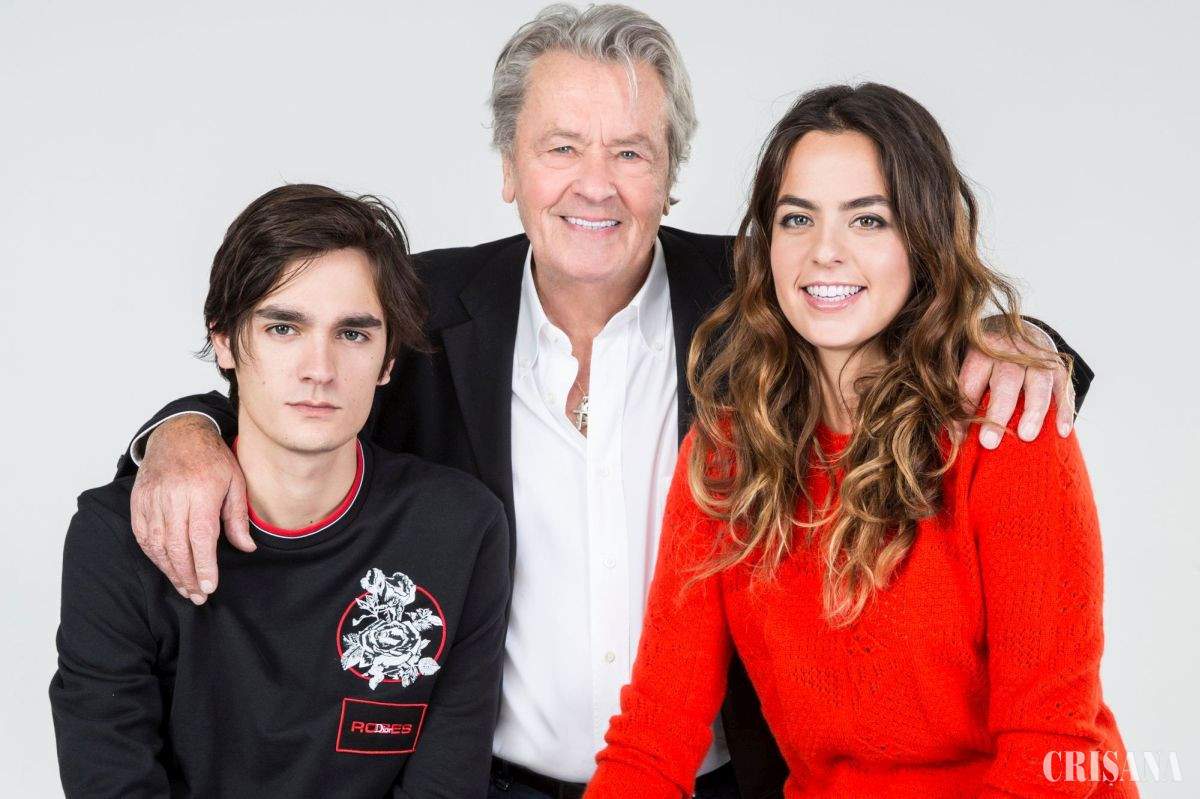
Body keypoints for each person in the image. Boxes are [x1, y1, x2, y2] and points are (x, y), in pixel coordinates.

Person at [115, 6, 1092, 798]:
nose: (595, 185)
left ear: (671, 176)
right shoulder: (422, 310)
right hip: (483, 777)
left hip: (729, 780)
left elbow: (898, 309)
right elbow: (297, 373)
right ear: (508, 168)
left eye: (630, 151)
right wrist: (184, 430)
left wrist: (1025, 342)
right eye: (560, 147)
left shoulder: (766, 296)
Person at [585, 83, 1133, 797]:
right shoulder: (726, 454)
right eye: (797, 218)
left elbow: (1051, 746)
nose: (825, 252)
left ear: (923, 242)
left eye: (868, 220)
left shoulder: (1005, 429)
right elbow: (654, 738)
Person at [51, 185, 510, 797]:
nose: (319, 369)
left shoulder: (459, 527)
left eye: (353, 334)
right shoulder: (118, 536)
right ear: (223, 340)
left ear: (388, 360)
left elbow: (445, 784)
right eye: (284, 327)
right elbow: (112, 780)